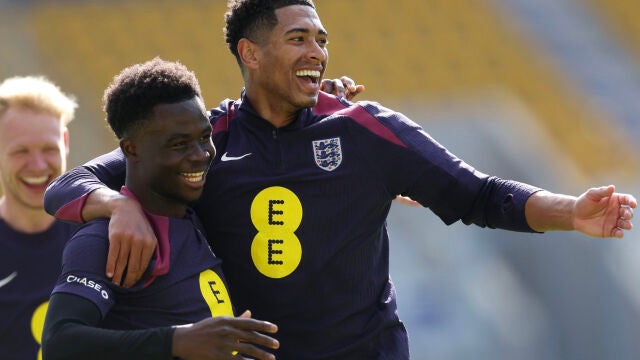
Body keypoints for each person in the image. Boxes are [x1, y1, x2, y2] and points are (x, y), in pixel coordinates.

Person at [44, 1, 637, 359]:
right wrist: (113, 206)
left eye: (322, 39)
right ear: (249, 53)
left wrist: (571, 210)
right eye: (298, 38)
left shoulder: (366, 129)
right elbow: (69, 184)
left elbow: (477, 193)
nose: (317, 52)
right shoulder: (208, 138)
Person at [41, 58, 280, 360]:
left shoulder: (193, 212)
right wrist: (175, 341)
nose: (200, 154)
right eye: (179, 145)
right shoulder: (104, 239)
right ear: (131, 150)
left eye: (205, 137)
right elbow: (59, 343)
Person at [0, 75, 78, 360]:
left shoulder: (103, 235)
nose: (38, 165)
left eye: (49, 149)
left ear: (66, 142)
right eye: (21, 151)